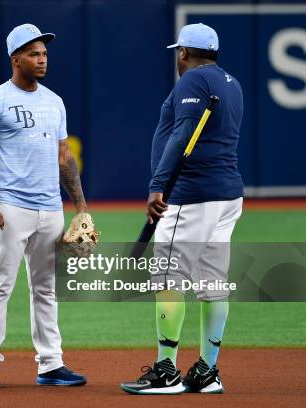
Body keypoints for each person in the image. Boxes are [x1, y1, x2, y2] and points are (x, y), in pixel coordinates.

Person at [120, 23, 243, 395]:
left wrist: (158, 184)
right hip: (226, 197)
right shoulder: (231, 83)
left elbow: (183, 133)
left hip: (190, 195)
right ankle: (207, 371)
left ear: (184, 53)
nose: (178, 57)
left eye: (179, 52)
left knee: (169, 282)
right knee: (212, 284)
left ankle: (166, 371)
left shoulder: (192, 81)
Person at [0, 23, 91, 388]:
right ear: (15, 58)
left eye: (44, 54)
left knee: (47, 289)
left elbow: (64, 157)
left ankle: (51, 363)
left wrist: (81, 207)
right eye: (34, 54)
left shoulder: (54, 101)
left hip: (50, 208)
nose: (42, 60)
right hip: (10, 207)